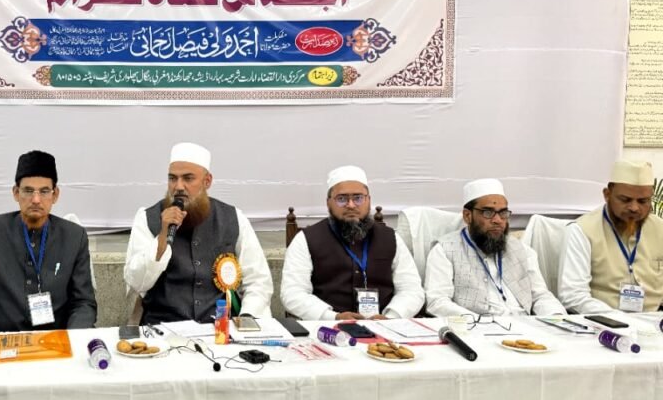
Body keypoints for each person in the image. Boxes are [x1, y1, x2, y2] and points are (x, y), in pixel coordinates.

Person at [0, 150, 96, 337]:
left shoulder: (74, 236)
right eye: (28, 191)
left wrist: (73, 340)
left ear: (55, 195)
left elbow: (83, 303)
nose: (36, 200)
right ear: (16, 193)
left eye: (44, 191)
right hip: (1, 339)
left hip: (55, 340)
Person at [124, 142, 273, 324]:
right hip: (163, 329)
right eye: (172, 178)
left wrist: (246, 319)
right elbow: (136, 282)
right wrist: (162, 237)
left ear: (207, 181)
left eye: (188, 178)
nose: (178, 186)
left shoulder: (233, 218)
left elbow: (258, 280)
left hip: (221, 330)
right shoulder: (147, 218)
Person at [281, 166, 423, 320]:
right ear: (328, 203)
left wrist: (391, 317)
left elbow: (411, 289)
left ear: (368, 200)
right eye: (341, 199)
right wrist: (332, 317)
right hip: (327, 327)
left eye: (358, 198)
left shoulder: (391, 238)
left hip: (386, 326)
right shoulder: (306, 239)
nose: (351, 205)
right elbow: (293, 293)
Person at [425, 178, 565, 317]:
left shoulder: (522, 250)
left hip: (525, 324)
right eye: (488, 213)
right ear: (467, 216)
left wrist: (557, 317)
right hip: (476, 326)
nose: (498, 220)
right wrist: (478, 321)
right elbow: (437, 302)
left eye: (503, 213)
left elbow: (540, 296)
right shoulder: (445, 250)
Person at [558, 160, 663, 313]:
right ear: (607, 195)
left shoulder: (660, 228)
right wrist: (616, 318)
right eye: (625, 200)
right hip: (602, 321)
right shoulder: (582, 230)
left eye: (643, 201)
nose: (634, 208)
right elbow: (573, 295)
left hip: (654, 321)